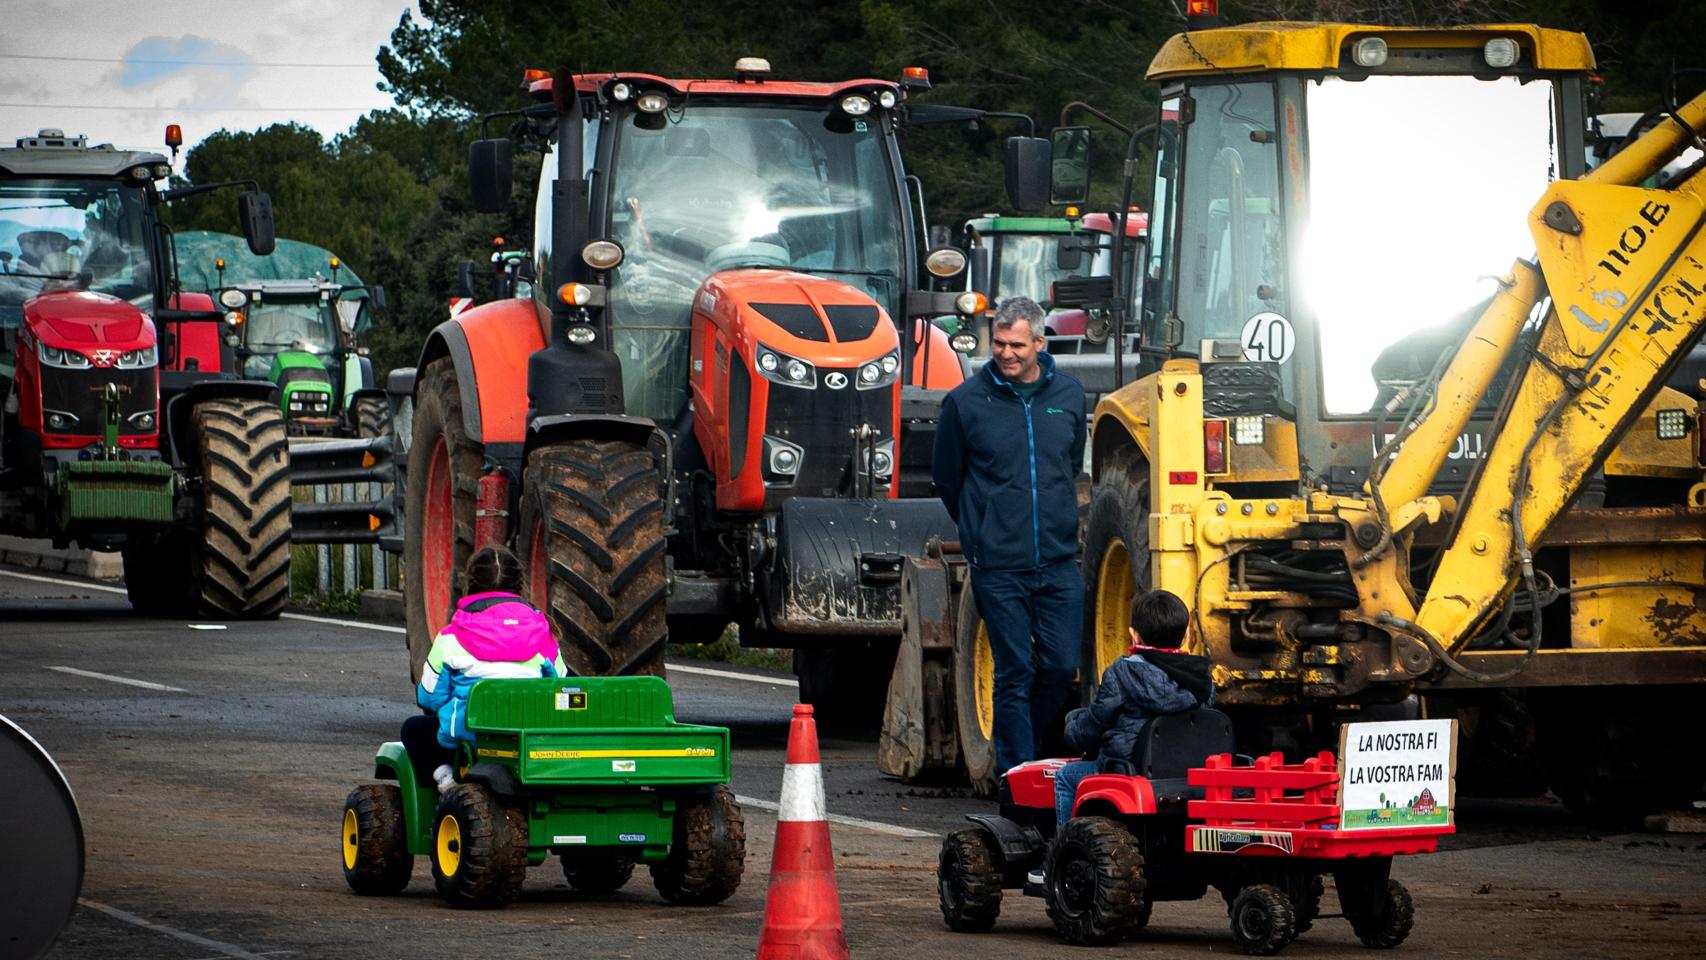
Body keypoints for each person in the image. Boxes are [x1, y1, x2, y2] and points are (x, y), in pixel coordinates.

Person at [933, 295, 1088, 776]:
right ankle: (1015, 777)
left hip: (1059, 560)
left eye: (1016, 344)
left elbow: (1070, 463)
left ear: (1039, 343)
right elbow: (947, 478)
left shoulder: (1069, 396)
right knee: (1014, 670)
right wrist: (982, 531)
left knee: (1061, 666)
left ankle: (1028, 753)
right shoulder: (964, 403)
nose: (1005, 352)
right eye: (998, 343)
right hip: (998, 565)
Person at [401, 545, 567, 793]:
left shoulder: (451, 638)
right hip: (529, 741)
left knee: (413, 729)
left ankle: (447, 779)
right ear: (520, 585)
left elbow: (429, 697)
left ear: (470, 582)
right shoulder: (544, 633)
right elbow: (560, 684)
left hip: (471, 742)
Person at [1051, 590, 1214, 832]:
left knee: (1066, 776)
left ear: (1134, 635)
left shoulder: (1123, 673)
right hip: (1188, 771)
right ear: (1187, 636)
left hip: (1131, 770)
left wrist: (1073, 730)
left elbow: (1094, 724)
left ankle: (1060, 852)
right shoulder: (1203, 677)